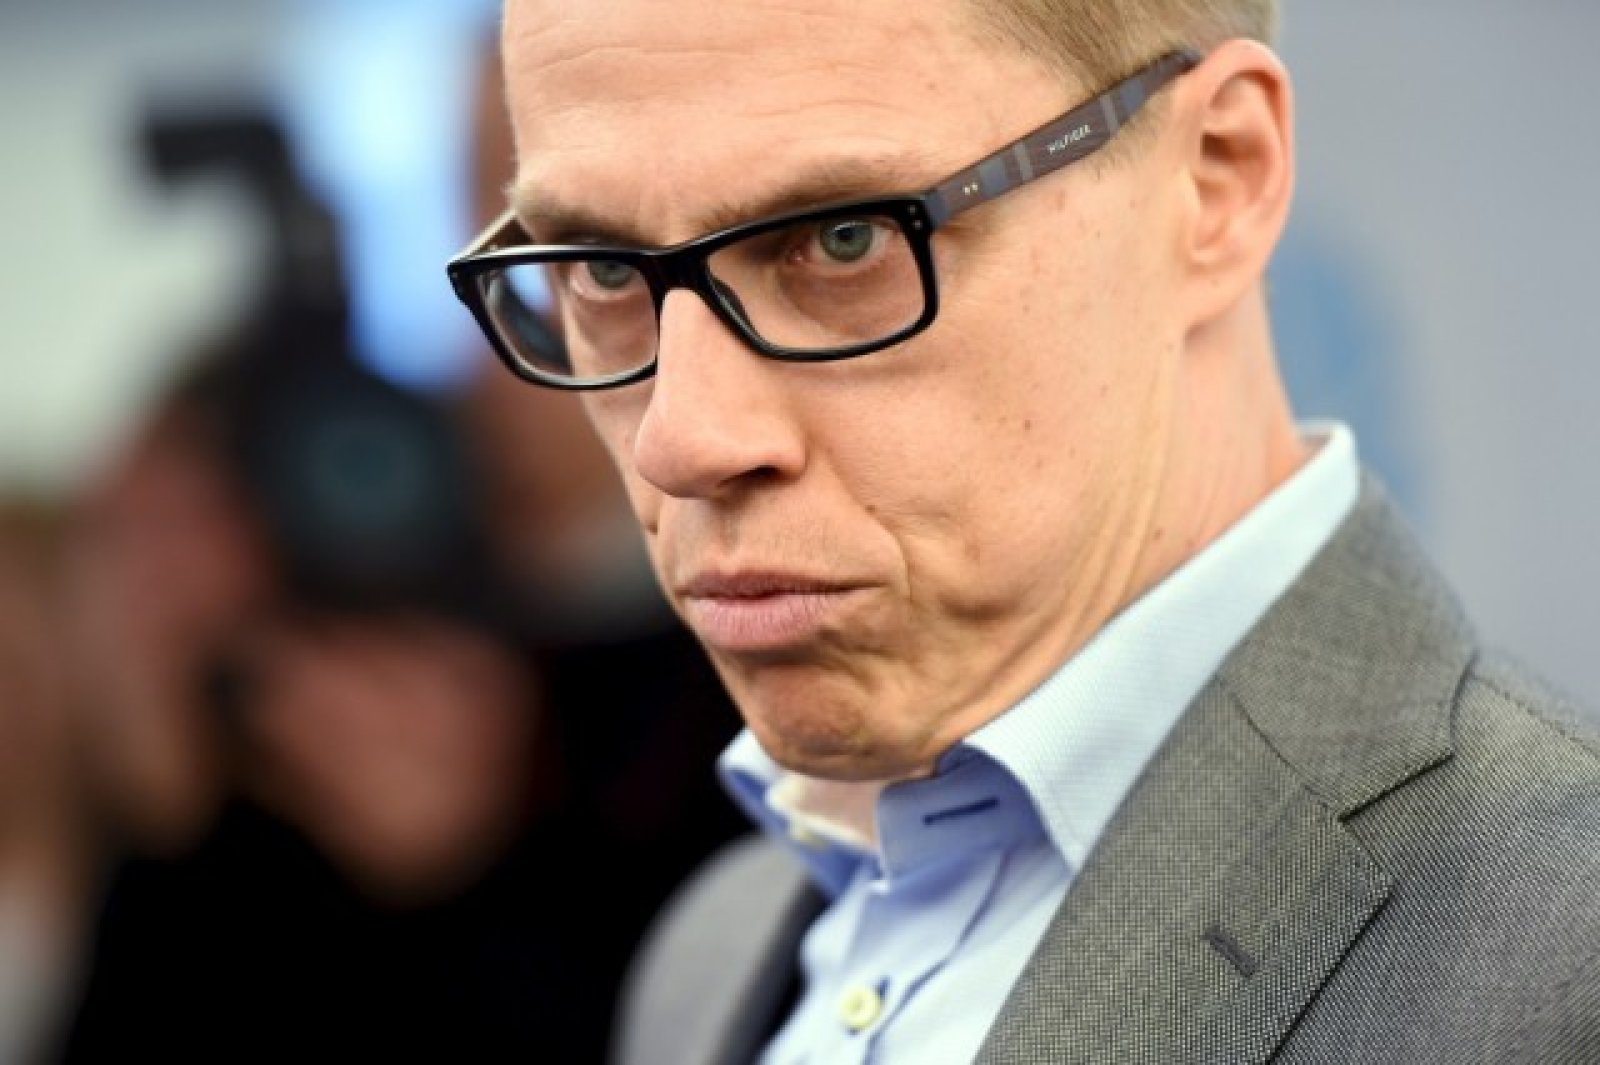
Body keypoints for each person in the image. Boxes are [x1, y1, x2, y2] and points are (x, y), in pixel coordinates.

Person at [447, 1, 1600, 1062]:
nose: (681, 440)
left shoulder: (1562, 957)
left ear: (1217, 176)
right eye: (599, 272)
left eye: (843, 239)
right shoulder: (712, 956)